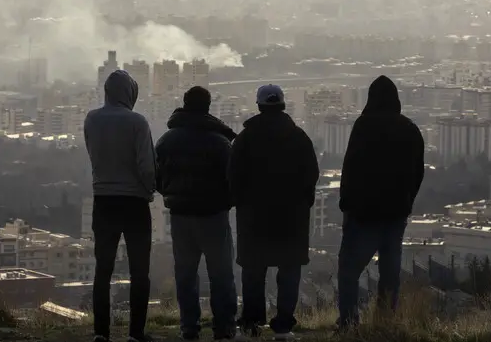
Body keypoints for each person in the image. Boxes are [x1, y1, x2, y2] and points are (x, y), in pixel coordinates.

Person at [228, 84, 320, 341]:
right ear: (282, 105)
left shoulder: (245, 139)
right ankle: (283, 327)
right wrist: (303, 205)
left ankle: (251, 325)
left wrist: (242, 204)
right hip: (292, 220)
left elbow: (233, 177)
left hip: (254, 220)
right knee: (289, 271)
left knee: (253, 272)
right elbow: (311, 175)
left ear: (259, 106)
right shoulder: (299, 137)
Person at [336, 75, 425, 330]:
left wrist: (346, 206)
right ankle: (385, 323)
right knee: (389, 273)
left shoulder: (364, 126)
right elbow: (418, 173)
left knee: (349, 271)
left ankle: (349, 323)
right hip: (396, 214)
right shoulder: (410, 129)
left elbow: (350, 168)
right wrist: (407, 201)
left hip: (364, 214)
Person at [156, 86, 238, 341]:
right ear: (208, 106)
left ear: (185, 104)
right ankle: (224, 327)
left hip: (180, 217)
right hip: (213, 216)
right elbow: (234, 180)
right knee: (221, 273)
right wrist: (226, 201)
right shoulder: (221, 142)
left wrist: (171, 196)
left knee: (186, 273)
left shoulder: (167, 140)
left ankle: (189, 327)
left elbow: (156, 177)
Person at [84, 70, 157, 342]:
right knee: (140, 270)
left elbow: (94, 154)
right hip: (135, 203)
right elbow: (146, 166)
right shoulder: (137, 122)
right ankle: (135, 333)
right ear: (130, 93)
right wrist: (150, 189)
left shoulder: (92, 119)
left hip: (103, 201)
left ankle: (101, 332)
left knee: (103, 268)